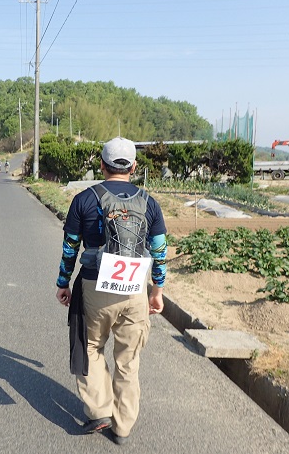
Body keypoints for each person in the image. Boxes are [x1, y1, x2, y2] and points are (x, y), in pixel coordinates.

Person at [55, 136, 167, 446]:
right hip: (135, 290)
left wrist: (63, 282)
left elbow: (70, 248)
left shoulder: (84, 199)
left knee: (90, 346)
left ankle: (99, 409)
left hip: (94, 286)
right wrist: (156, 290)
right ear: (133, 166)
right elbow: (159, 252)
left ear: (102, 166)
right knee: (128, 360)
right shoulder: (150, 202)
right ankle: (123, 428)